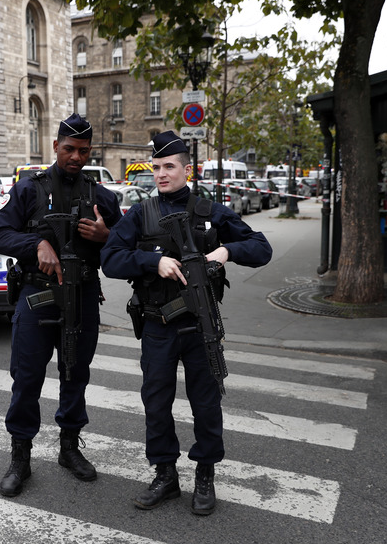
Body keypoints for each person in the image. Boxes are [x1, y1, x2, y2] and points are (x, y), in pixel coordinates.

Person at [100, 131, 272, 515]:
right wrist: (152, 262)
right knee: (156, 402)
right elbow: (110, 259)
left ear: (187, 170)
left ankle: (206, 474)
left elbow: (262, 248)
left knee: (206, 404)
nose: (161, 174)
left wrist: (227, 250)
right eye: (156, 167)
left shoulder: (212, 213)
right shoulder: (141, 214)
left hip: (200, 326)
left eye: (169, 167)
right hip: (158, 324)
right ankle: (165, 474)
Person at [0, 113, 122, 497]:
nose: (76, 157)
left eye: (83, 150)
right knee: (27, 378)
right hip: (38, 295)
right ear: (55, 147)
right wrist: (36, 245)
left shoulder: (102, 197)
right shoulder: (29, 189)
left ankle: (68, 448)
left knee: (75, 375)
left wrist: (105, 234)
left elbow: (127, 247)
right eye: (69, 149)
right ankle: (20, 458)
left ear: (90, 151)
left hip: (82, 297)